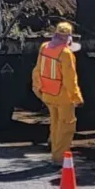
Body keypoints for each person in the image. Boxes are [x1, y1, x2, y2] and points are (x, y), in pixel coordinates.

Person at [33, 22, 83, 163]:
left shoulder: (45, 47)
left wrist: (38, 89)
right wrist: (77, 97)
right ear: (69, 37)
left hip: (48, 94)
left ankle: (55, 151)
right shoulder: (66, 53)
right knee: (66, 126)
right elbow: (70, 79)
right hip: (63, 96)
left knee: (55, 125)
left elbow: (37, 71)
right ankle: (59, 158)